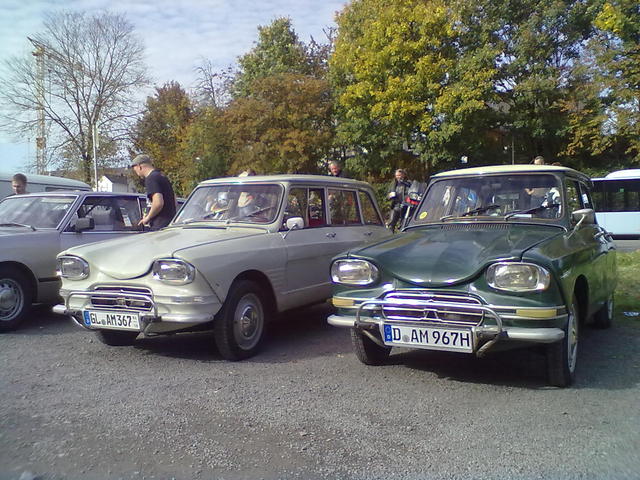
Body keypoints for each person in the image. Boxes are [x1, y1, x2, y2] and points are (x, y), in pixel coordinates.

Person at [130, 154, 176, 230]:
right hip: (169, 224)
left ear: (139, 166)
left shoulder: (151, 179)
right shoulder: (161, 176)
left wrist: (148, 217)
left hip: (159, 225)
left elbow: (158, 203)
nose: (136, 173)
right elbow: (174, 201)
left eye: (135, 170)